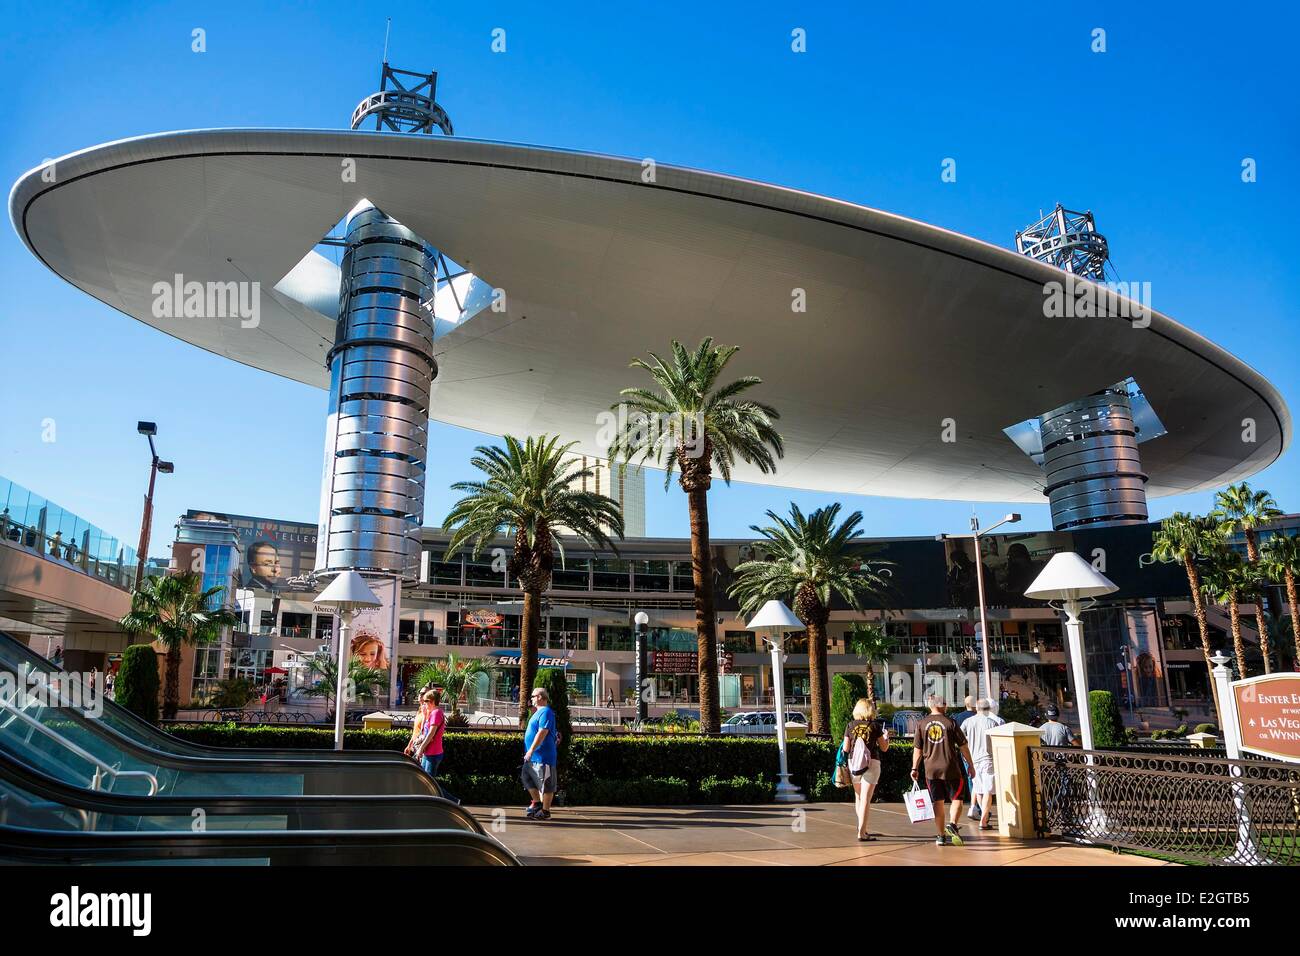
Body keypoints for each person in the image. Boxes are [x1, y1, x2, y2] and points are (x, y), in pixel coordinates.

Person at [911, 694, 977, 847]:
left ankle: (940, 836)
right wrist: (971, 765)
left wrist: (914, 768)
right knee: (957, 798)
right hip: (950, 768)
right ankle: (952, 825)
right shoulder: (951, 723)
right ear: (943, 705)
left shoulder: (921, 724)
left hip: (931, 770)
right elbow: (963, 747)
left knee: (937, 802)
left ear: (930, 705)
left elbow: (917, 750)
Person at [841, 698, 890, 841]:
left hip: (854, 763)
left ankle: (862, 828)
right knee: (866, 799)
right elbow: (884, 748)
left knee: (859, 797)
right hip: (872, 763)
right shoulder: (875, 726)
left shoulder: (850, 725)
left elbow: (845, 748)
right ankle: (862, 833)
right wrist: (886, 738)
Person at [960, 698, 1002, 830]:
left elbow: (960, 737)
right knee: (988, 791)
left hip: (973, 760)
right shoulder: (993, 723)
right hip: (988, 759)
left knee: (978, 790)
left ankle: (983, 816)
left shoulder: (968, 722)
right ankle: (983, 820)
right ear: (988, 709)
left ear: (976, 708)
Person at [522, 686, 558, 821]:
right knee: (526, 777)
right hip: (533, 757)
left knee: (546, 783)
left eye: (533, 696)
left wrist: (531, 750)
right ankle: (537, 803)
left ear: (539, 697)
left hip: (543, 756)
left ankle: (545, 811)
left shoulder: (547, 712)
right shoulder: (537, 712)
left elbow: (542, 732)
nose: (531, 698)